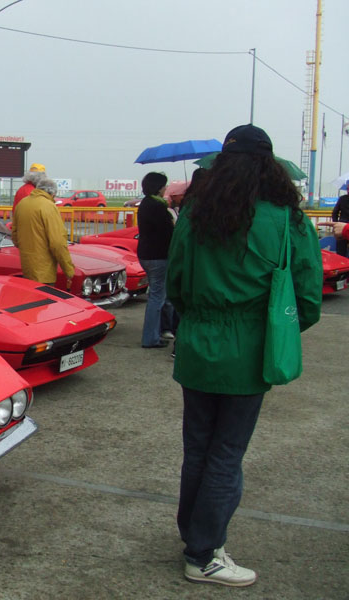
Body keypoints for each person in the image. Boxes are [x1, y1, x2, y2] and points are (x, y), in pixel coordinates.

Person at [166, 124, 322, 587]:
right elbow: (307, 293)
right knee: (226, 454)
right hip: (250, 348)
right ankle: (204, 553)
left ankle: (193, 534)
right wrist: (280, 329)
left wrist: (196, 320)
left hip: (197, 344)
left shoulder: (195, 212)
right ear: (269, 164)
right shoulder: (287, 218)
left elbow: (176, 281)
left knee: (197, 448)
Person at [11, 176, 74, 290]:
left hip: (27, 267)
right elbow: (57, 243)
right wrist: (68, 269)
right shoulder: (49, 206)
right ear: (52, 194)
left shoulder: (22, 204)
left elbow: (15, 236)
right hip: (45, 272)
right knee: (44, 305)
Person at [136, 171, 175, 348]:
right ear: (159, 187)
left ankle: (157, 332)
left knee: (156, 295)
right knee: (157, 297)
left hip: (145, 254)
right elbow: (167, 233)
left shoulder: (145, 204)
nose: (166, 188)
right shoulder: (158, 207)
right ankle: (150, 338)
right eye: (164, 185)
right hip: (158, 256)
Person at [330, 182, 349, 256]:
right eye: (347, 189)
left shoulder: (342, 198)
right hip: (342, 227)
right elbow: (335, 212)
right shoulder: (342, 198)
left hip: (341, 226)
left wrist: (335, 223)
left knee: (341, 252)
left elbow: (335, 212)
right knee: (341, 251)